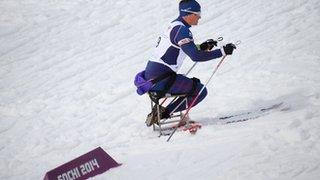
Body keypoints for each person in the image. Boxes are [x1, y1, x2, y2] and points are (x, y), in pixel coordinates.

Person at [135, 0, 236, 126]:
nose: (199, 16)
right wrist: (222, 52)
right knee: (200, 91)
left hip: (154, 78)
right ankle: (163, 113)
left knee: (194, 85)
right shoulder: (181, 30)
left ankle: (162, 112)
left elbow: (183, 49)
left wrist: (202, 46)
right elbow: (195, 56)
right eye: (197, 13)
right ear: (187, 14)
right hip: (161, 80)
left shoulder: (174, 26)